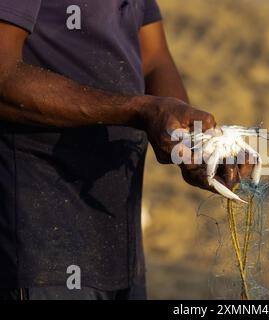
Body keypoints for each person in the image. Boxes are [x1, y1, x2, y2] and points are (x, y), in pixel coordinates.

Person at [0, 0, 248, 300]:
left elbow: (154, 58)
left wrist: (196, 145)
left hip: (119, 235)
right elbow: (4, 75)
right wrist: (137, 109)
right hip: (40, 232)